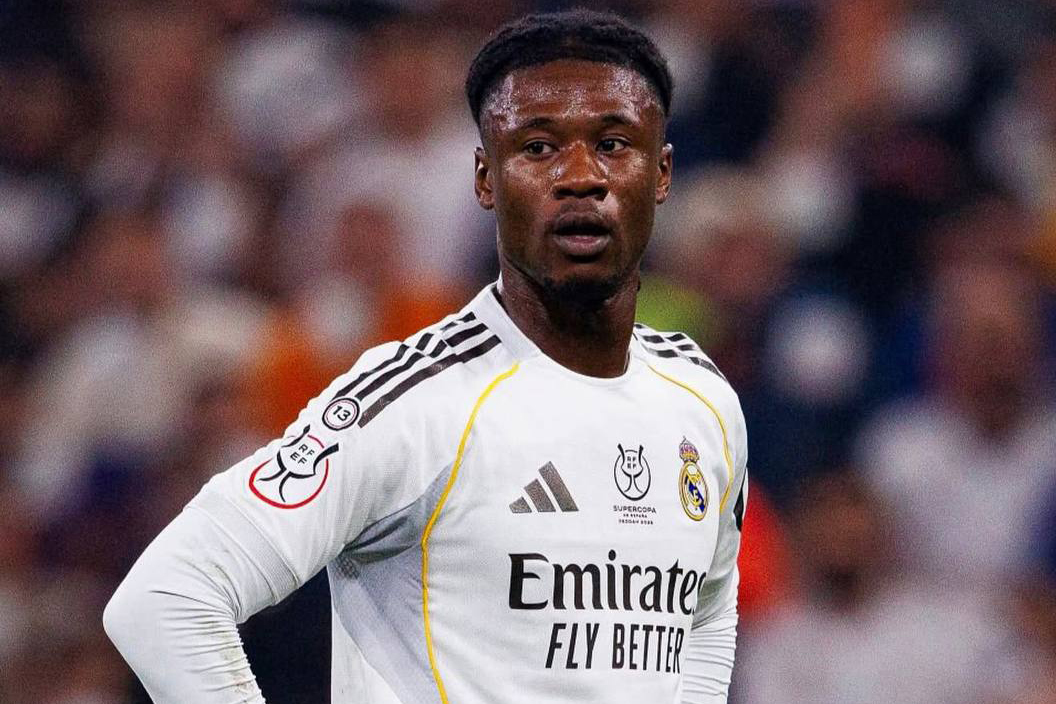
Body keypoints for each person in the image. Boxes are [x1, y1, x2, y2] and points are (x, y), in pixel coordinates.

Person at [103, 10, 749, 703]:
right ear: (485, 179)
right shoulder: (416, 402)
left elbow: (707, 614)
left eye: (613, 144)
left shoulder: (702, 401)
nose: (580, 176)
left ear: (662, 173)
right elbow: (165, 599)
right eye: (538, 148)